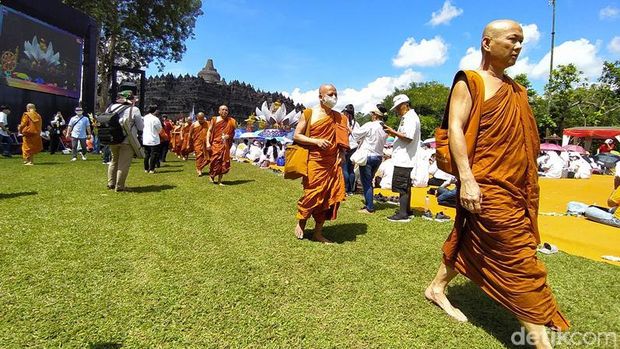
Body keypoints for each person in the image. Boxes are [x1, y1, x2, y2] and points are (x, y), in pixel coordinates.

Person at [425, 20, 569, 349]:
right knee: (518, 256)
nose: (518, 47)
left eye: (522, 42)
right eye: (512, 40)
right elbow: (457, 130)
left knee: (469, 239)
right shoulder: (470, 81)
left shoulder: (516, 91)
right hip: (486, 185)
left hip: (515, 187)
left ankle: (436, 288)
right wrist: (468, 180)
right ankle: (540, 341)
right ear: (487, 43)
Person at [293, 84, 349, 243]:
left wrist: (342, 154)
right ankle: (301, 222)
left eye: (336, 94)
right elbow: (297, 136)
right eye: (330, 94)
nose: (334, 97)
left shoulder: (340, 117)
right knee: (312, 193)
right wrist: (316, 141)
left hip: (332, 163)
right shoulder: (309, 113)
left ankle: (318, 233)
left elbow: (342, 141)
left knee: (327, 198)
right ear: (320, 96)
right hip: (314, 161)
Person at [383, 94, 420, 222]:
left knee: (401, 186)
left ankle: (403, 213)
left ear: (405, 105)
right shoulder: (408, 117)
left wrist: (392, 132)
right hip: (405, 157)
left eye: (398, 107)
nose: (397, 110)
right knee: (405, 186)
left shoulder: (410, 118)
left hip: (405, 157)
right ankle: (406, 210)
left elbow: (408, 137)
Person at [106, 90, 143, 192]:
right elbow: (140, 127)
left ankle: (110, 183)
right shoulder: (134, 109)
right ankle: (120, 186)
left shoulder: (110, 107)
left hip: (112, 138)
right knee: (124, 163)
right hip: (127, 139)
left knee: (113, 161)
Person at [353, 106, 387, 213]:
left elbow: (356, 134)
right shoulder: (385, 127)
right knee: (369, 180)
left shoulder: (370, 125)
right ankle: (369, 204)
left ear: (375, 115)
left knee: (366, 183)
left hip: (368, 156)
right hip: (378, 157)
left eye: (372, 114)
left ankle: (369, 207)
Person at [206, 105, 237, 185]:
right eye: (223, 110)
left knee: (223, 161)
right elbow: (209, 131)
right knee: (214, 160)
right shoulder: (215, 119)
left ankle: (220, 180)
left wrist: (228, 136)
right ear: (219, 111)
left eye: (226, 110)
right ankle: (212, 175)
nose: (225, 111)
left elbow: (233, 133)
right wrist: (208, 143)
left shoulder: (231, 121)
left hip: (225, 144)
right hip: (215, 144)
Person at [342, 104, 359, 195]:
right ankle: (351, 190)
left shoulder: (344, 122)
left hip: (346, 146)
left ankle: (346, 189)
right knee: (351, 169)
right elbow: (358, 136)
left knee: (344, 168)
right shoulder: (357, 123)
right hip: (354, 147)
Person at [142, 104, 162, 174]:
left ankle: (146, 168)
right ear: (155, 110)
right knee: (153, 154)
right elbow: (159, 129)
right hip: (153, 139)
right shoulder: (155, 119)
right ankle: (151, 169)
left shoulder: (144, 118)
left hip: (145, 139)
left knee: (147, 154)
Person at [190, 112, 210, 176]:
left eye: (202, 119)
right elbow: (190, 135)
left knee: (208, 158)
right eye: (199, 119)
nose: (201, 120)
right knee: (199, 156)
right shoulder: (194, 125)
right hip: (197, 143)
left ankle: (200, 167)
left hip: (206, 143)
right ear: (197, 118)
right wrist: (188, 143)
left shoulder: (208, 123)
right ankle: (199, 169)